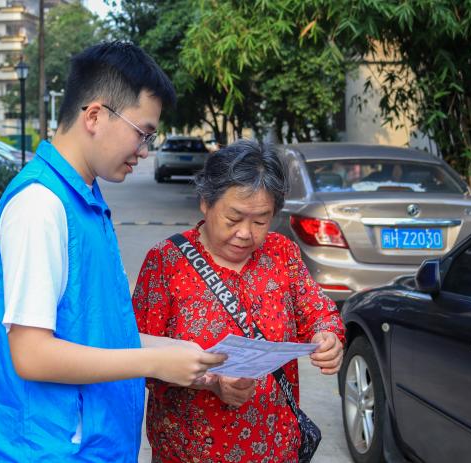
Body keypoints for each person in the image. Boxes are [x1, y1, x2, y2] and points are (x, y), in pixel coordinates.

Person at [0, 41, 226, 462]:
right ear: (94, 116)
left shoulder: (83, 200)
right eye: (142, 132)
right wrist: (153, 364)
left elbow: (96, 332)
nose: (145, 150)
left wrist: (181, 354)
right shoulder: (40, 205)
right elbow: (32, 355)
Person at [133, 139, 345, 463]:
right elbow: (134, 355)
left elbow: (318, 311)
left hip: (276, 448)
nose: (246, 233)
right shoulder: (167, 262)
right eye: (233, 218)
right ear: (206, 203)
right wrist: (210, 383)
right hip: (190, 452)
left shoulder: (281, 252)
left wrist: (327, 336)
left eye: (260, 221)